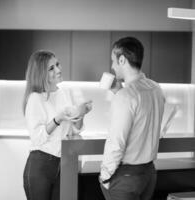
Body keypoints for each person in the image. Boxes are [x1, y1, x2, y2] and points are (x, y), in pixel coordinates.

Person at [99, 37, 165, 200]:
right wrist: (119, 91)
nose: (113, 66)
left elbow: (117, 142)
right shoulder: (156, 88)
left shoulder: (125, 96)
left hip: (126, 178)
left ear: (122, 60)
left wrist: (105, 176)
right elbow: (141, 118)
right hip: (148, 174)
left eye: (113, 61)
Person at [22, 50, 92, 200]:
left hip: (62, 164)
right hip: (40, 166)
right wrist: (57, 119)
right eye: (51, 68)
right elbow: (37, 138)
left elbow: (73, 131)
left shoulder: (62, 93)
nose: (59, 70)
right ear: (41, 73)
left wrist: (81, 113)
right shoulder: (35, 98)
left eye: (57, 64)